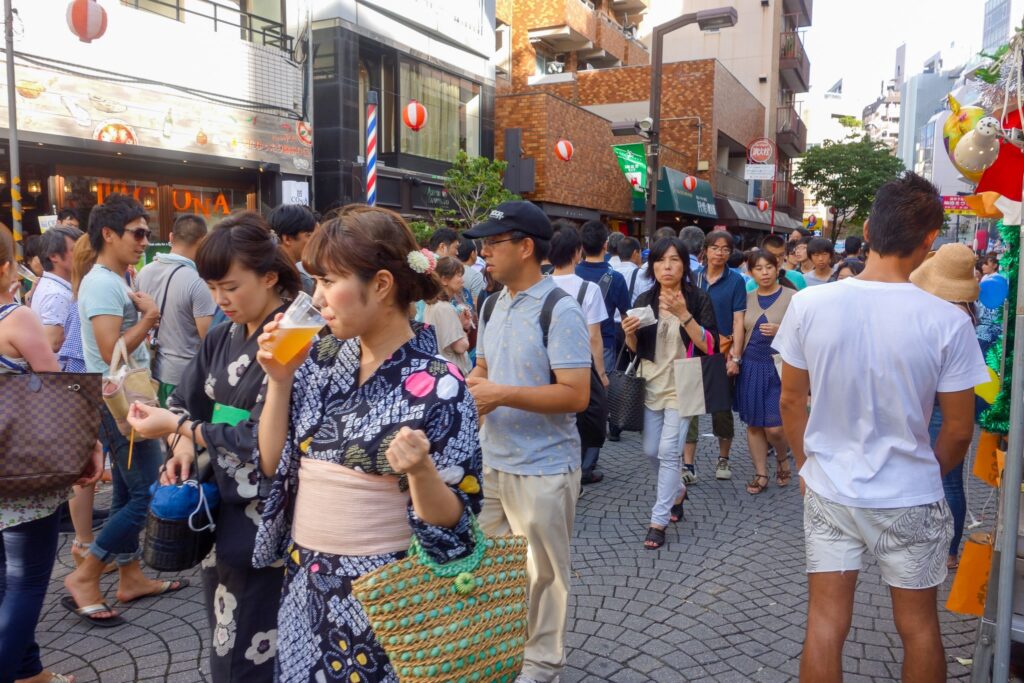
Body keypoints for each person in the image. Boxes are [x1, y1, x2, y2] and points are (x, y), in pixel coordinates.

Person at [252, 205, 483, 682]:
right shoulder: (317, 357)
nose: (317, 299)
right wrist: (278, 381)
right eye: (314, 282)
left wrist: (419, 473)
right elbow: (273, 463)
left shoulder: (441, 384)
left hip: (384, 590)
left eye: (327, 282)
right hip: (306, 576)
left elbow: (456, 520)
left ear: (380, 284)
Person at [775, 172, 988, 682]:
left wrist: (807, 466)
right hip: (909, 493)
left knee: (825, 621)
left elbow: (790, 401)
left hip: (830, 487)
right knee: (918, 626)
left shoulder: (809, 304)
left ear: (867, 229)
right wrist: (923, 473)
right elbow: (959, 429)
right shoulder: (948, 321)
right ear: (930, 241)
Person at [127, 213, 302, 681]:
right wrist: (181, 440)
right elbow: (185, 399)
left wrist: (189, 430)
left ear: (269, 277)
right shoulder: (224, 333)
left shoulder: (292, 338)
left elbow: (261, 439)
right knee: (227, 627)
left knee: (260, 637)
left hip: (270, 511)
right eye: (213, 287)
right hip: (220, 501)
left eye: (230, 287)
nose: (220, 300)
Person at [464, 200, 591, 683]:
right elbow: (484, 369)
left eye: (493, 243)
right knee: (491, 569)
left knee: (543, 576)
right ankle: (500, 654)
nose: (484, 253)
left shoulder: (560, 309)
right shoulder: (490, 302)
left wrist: (501, 394)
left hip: (544, 466)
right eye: (483, 244)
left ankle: (542, 665)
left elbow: (576, 394)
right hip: (492, 461)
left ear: (526, 247)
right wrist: (470, 384)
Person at [64, 193, 187, 628]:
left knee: (124, 492)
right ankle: (87, 574)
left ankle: (130, 576)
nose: (144, 240)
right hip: (119, 402)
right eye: (137, 233)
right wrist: (149, 319)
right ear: (109, 234)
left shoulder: (115, 279)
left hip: (125, 400)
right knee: (146, 493)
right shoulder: (102, 282)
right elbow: (107, 354)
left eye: (148, 234)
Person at [0, 223, 103, 683]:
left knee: (5, 577)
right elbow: (57, 388)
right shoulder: (15, 318)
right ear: (7, 267)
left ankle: (30, 672)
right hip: (19, 471)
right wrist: (90, 444)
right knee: (25, 581)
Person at [623, 237, 717, 549]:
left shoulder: (698, 298)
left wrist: (683, 314)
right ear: (652, 266)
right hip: (651, 383)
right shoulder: (646, 298)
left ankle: (658, 520)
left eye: (675, 260)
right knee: (651, 451)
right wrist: (629, 335)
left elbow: (710, 345)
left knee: (668, 453)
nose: (667, 266)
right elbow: (635, 350)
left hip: (684, 386)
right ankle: (677, 490)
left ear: (685, 265)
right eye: (661, 260)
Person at [911, 244, 985, 570]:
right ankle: (946, 547)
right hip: (941, 403)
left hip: (939, 404)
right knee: (947, 480)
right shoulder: (966, 313)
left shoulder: (950, 317)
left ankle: (948, 548)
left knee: (946, 480)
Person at [549, 225, 610, 485]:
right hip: (580, 366)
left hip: (547, 365)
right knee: (579, 419)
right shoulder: (589, 289)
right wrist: (601, 372)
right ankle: (575, 472)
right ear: (578, 253)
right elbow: (594, 336)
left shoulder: (540, 285)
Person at [684, 230, 745, 483]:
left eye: (725, 249)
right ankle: (688, 465)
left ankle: (723, 458)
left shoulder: (736, 280)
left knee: (721, 407)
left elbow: (739, 320)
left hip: (721, 348)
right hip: (691, 347)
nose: (720, 253)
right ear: (705, 250)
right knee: (690, 406)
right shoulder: (693, 277)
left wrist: (736, 357)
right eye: (715, 248)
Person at [138, 214, 216, 405]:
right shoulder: (198, 281)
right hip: (185, 377)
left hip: (151, 371)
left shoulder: (144, 272)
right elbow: (210, 337)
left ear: (171, 238)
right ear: (203, 241)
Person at [735, 251, 795, 495]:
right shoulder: (745, 298)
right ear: (751, 272)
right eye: (758, 268)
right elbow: (738, 329)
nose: (765, 272)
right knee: (754, 425)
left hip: (779, 368)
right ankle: (761, 473)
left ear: (778, 266)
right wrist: (735, 359)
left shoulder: (793, 297)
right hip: (750, 366)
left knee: (775, 427)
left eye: (769, 267)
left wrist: (782, 329)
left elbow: (806, 331)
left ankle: (782, 457)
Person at [577, 220, 630, 390]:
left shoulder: (572, 273)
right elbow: (625, 317)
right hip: (605, 343)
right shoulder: (616, 278)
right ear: (605, 245)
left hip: (573, 342)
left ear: (582, 246)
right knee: (600, 396)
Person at [30, 226, 82, 355]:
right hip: (65, 373)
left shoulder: (53, 285)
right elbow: (52, 343)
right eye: (76, 250)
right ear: (54, 256)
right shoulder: (56, 294)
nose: (83, 255)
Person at [424, 256, 472, 375]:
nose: (462, 280)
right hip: (453, 372)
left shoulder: (432, 305)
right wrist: (464, 331)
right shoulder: (445, 307)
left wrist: (461, 324)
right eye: (458, 275)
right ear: (444, 280)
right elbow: (460, 346)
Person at [268, 203, 317, 295]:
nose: (313, 241)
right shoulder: (299, 282)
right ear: (287, 239)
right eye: (308, 235)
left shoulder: (262, 273)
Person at [977, 252, 1003, 358]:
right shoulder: (985, 278)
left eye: (986, 264)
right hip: (982, 320)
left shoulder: (998, 280)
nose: (983, 266)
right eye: (983, 264)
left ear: (995, 265)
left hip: (991, 323)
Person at [457, 234, 486, 301]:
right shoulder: (475, 276)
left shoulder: (449, 270)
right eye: (476, 250)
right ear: (472, 254)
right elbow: (477, 304)